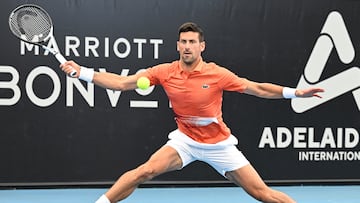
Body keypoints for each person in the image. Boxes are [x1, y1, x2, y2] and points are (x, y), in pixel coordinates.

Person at [60, 22, 324, 203]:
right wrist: (81, 72)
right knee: (145, 171)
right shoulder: (164, 72)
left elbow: (256, 88)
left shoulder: (217, 74)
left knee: (261, 193)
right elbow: (120, 82)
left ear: (202, 47)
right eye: (183, 42)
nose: (187, 46)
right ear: (177, 46)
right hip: (185, 141)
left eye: (192, 42)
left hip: (219, 145)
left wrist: (294, 92)